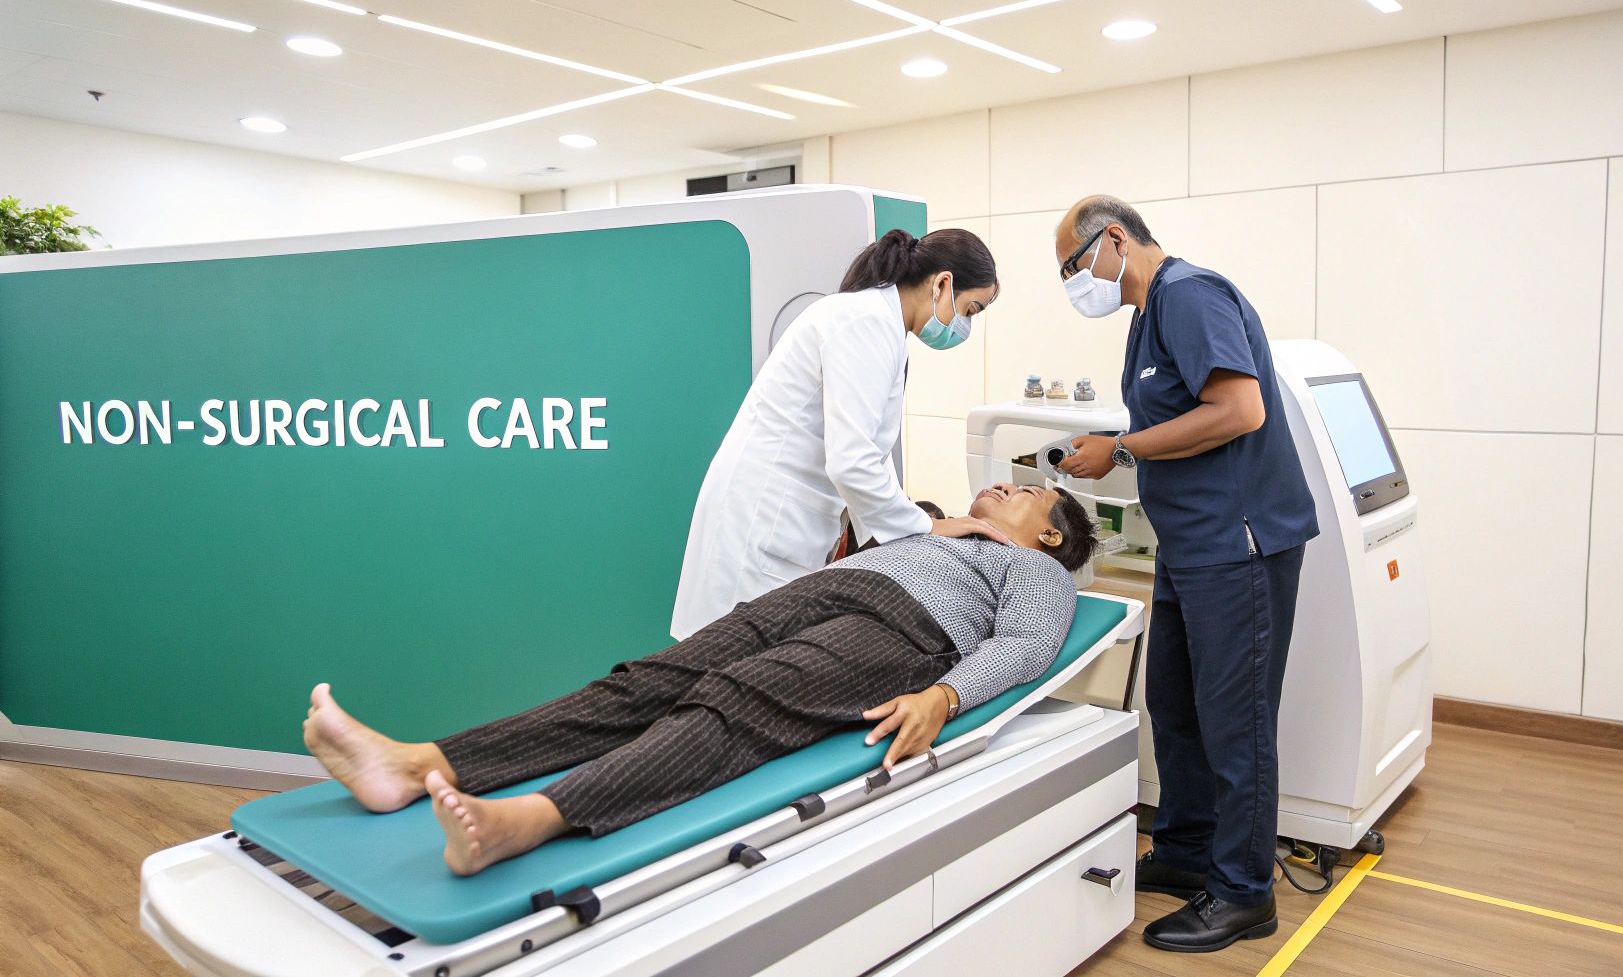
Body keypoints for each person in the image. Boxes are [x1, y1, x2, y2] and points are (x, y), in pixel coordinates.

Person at [301, 483, 1097, 876]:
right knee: (647, 681)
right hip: (825, 593)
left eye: (1027, 491)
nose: (1004, 487)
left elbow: (1027, 646)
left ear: (1050, 531)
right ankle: (415, 766)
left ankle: (532, 820)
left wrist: (945, 694)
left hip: (906, 632)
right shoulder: (940, 528)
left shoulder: (1033, 569)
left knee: (733, 705)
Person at [1052, 195, 1319, 953]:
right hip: (1193, 543)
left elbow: (1239, 410)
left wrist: (1124, 447)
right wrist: (1117, 439)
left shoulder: (1189, 294)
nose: (1076, 283)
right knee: (1174, 702)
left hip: (1238, 543)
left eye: (1073, 267)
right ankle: (1187, 847)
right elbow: (1180, 411)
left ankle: (1243, 893)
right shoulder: (1149, 312)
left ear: (1113, 240)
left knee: (1236, 721)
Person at [672, 228, 1007, 639]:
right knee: (726, 662)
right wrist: (926, 526)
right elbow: (852, 462)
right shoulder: (864, 322)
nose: (964, 327)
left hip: (785, 519)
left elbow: (866, 452)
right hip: (762, 520)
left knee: (742, 664)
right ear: (942, 283)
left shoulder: (882, 328)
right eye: (970, 310)